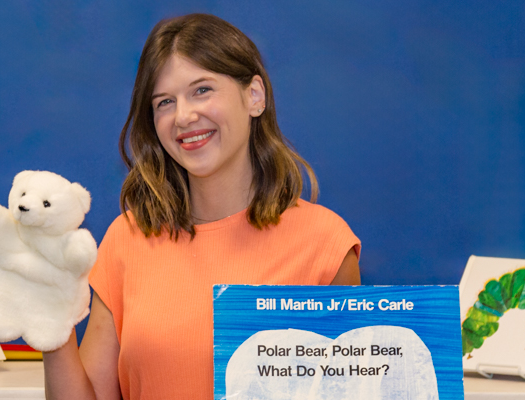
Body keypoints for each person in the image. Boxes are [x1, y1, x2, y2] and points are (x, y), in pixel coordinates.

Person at [44, 13, 361, 399]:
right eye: (164, 102)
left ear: (254, 96)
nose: (183, 116)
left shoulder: (325, 244)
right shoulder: (126, 238)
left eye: (202, 90)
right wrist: (50, 327)